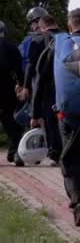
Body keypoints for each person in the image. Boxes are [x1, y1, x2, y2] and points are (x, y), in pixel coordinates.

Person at [32, 8, 80, 226]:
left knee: (71, 155)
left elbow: (40, 78)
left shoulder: (57, 44)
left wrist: (36, 113)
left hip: (68, 112)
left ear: (69, 26)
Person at [28, 15, 64, 164]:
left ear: (42, 26)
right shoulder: (66, 38)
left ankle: (55, 153)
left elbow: (33, 69)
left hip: (49, 87)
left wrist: (34, 113)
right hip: (67, 87)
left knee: (51, 121)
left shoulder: (37, 40)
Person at [0, 21, 26, 166]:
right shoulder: (11, 47)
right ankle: (16, 152)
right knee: (11, 121)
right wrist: (21, 85)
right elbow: (19, 70)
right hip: (7, 88)